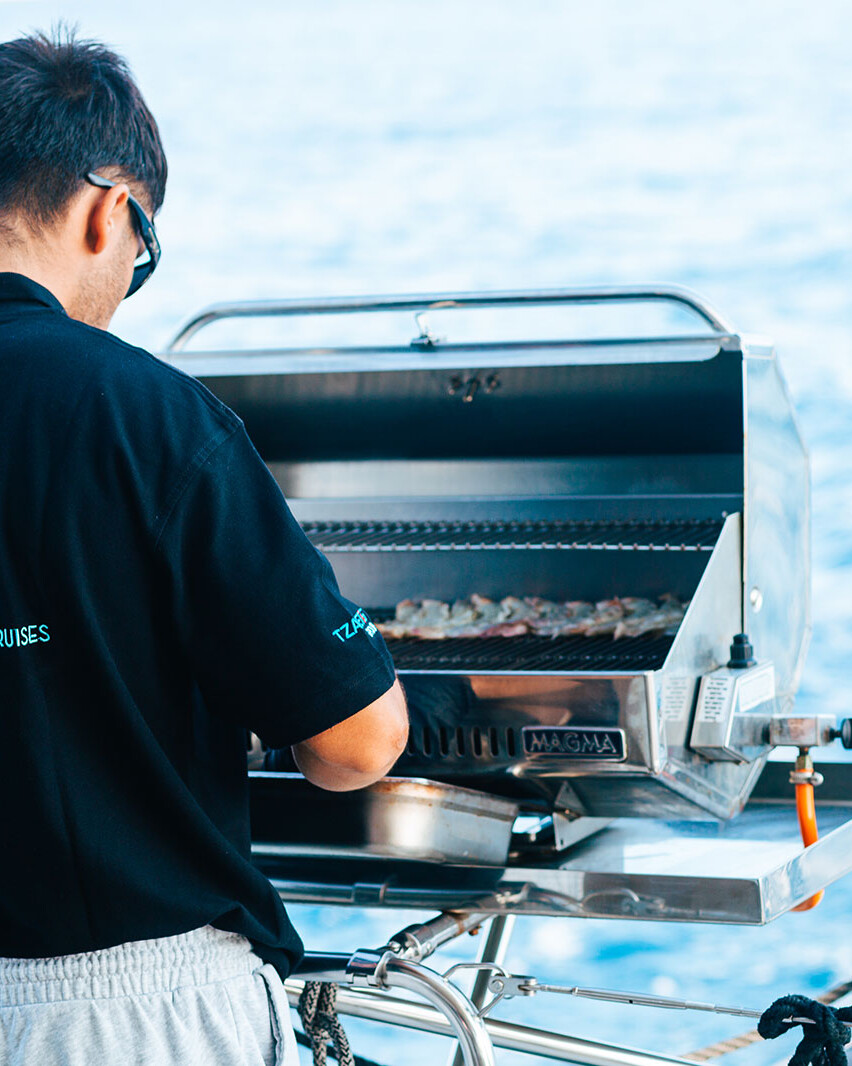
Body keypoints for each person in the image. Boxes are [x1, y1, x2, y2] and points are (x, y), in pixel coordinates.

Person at [0, 29, 408, 1066]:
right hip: (122, 1013)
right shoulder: (141, 412)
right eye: (145, 244)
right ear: (109, 208)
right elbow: (356, 744)